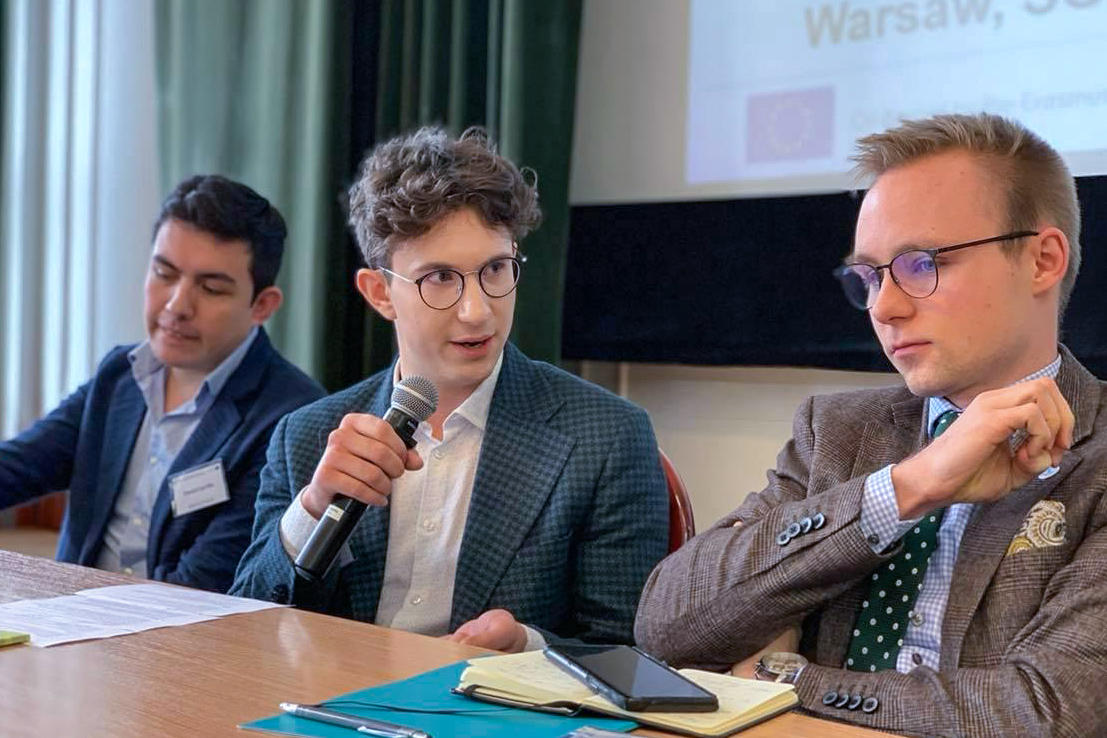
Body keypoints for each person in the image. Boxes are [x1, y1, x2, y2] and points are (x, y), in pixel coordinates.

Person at [635, 113, 1107, 736]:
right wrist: (906, 490)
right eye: (870, 276)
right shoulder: (837, 430)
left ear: (1042, 260)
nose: (884, 307)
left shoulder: (1094, 457)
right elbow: (667, 623)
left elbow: (1052, 712)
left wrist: (789, 681)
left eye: (921, 264)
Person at [231, 127, 668, 650]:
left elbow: (628, 651)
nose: (477, 310)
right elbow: (248, 627)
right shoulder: (306, 436)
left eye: (496, 270)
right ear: (380, 293)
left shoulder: (607, 436)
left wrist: (527, 647)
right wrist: (312, 507)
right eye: (439, 277)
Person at [0, 175, 325, 593]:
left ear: (262, 305)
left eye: (210, 288)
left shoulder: (291, 417)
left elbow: (202, 587)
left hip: (178, 641)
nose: (176, 306)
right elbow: (19, 467)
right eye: (164, 273)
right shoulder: (121, 374)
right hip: (68, 630)